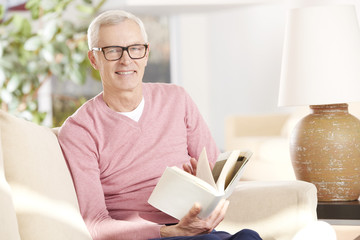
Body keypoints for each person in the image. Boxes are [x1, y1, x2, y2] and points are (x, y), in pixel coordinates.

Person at [58, 9, 262, 240]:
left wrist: (203, 190)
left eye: (135, 49)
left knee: (248, 236)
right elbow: (95, 225)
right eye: (113, 51)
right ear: (94, 59)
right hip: (145, 236)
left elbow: (216, 173)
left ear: (146, 54)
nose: (126, 60)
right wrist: (168, 231)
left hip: (194, 228)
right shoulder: (79, 130)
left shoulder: (177, 99)